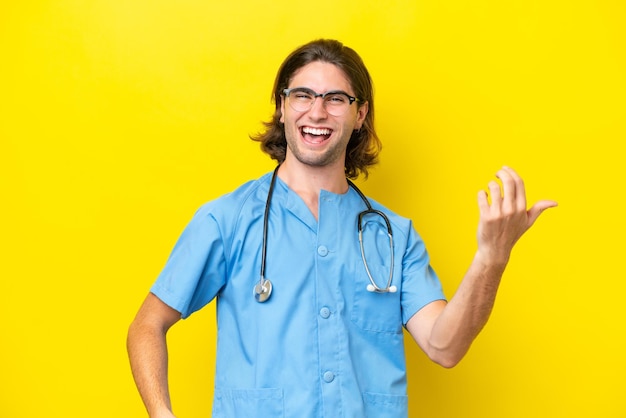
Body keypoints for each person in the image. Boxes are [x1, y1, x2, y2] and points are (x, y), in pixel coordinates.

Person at [127, 39, 557, 418]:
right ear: (281, 105)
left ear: (360, 114)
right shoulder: (227, 220)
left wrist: (492, 258)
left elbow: (445, 347)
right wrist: (162, 413)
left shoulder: (394, 235)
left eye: (336, 98)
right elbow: (147, 325)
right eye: (303, 95)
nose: (317, 111)